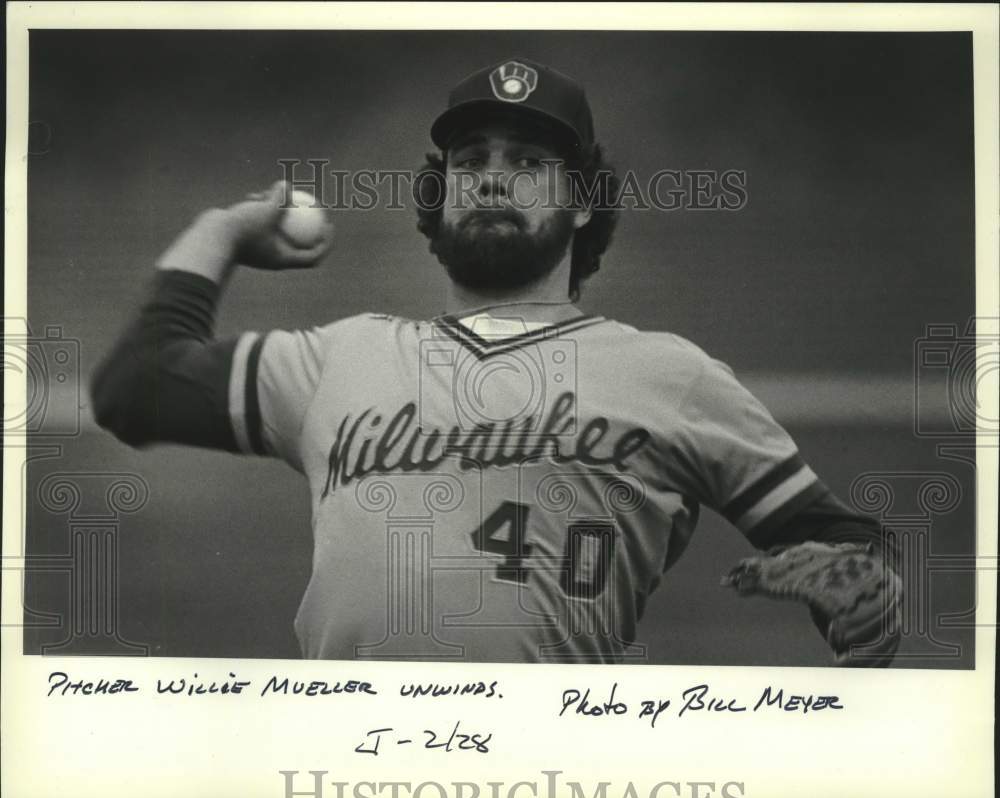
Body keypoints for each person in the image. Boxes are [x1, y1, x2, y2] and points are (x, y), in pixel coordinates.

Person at [91, 57, 900, 664]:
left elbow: (841, 542)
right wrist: (222, 231)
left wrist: (866, 595)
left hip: (550, 762)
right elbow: (136, 388)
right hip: (345, 759)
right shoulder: (341, 356)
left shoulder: (671, 375)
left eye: (527, 164)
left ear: (582, 201)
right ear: (440, 199)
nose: (491, 181)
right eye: (471, 163)